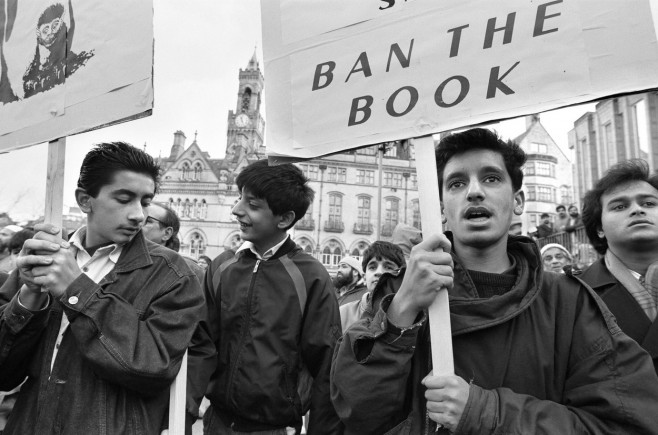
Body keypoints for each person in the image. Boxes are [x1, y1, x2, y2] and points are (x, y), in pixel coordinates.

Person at [330, 128, 658, 434]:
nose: (474, 192)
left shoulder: (567, 302)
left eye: (491, 178)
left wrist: (486, 412)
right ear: (441, 207)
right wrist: (401, 311)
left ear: (518, 201)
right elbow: (355, 411)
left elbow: (625, 422)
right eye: (457, 183)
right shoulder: (394, 293)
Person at [0, 142, 204, 434]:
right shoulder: (44, 258)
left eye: (145, 202)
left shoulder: (174, 275)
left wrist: (77, 289)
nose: (138, 215)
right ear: (85, 200)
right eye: (124, 199)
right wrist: (29, 298)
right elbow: (5, 371)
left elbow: (151, 367)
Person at [188, 159, 342, 434]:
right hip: (216, 423)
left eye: (253, 205)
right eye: (240, 199)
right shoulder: (222, 266)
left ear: (284, 218)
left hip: (275, 428)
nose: (237, 210)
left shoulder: (311, 277)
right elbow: (201, 346)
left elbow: (327, 367)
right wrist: (183, 415)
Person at [581, 159, 658, 373]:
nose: (637, 210)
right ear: (599, 228)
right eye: (620, 206)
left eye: (649, 203)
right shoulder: (573, 294)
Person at [338, 241, 405, 332]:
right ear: (364, 277)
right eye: (372, 267)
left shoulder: (411, 314)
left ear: (400, 276)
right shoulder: (343, 313)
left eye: (388, 267)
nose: (379, 272)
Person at [141, 201, 205, 282]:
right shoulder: (124, 260)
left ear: (167, 233)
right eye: (140, 218)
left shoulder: (191, 272)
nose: (139, 224)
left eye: (148, 221)